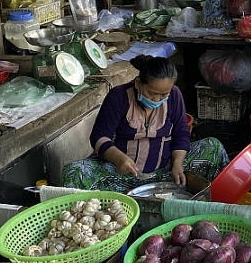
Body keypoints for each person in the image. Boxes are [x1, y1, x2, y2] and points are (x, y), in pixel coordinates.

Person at [61, 56, 228, 191]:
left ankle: (217, 206)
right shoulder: (118, 97)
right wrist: (119, 159)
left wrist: (177, 164)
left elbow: (181, 134)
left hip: (166, 172)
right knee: (75, 172)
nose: (157, 99)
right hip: (120, 176)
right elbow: (99, 137)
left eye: (164, 94)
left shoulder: (175, 96)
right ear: (138, 83)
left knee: (213, 148)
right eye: (153, 93)